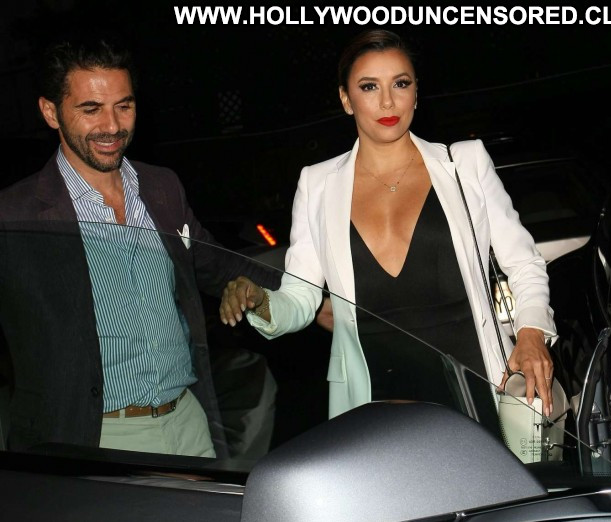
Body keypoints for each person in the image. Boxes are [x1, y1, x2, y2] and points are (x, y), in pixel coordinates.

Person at [220, 29, 557, 420]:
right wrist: (260, 300)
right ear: (346, 99)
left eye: (400, 83)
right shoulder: (318, 184)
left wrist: (531, 332)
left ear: (416, 91)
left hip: (477, 385)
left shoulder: (464, 164)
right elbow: (301, 297)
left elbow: (524, 263)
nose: (387, 101)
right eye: (369, 87)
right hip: (376, 398)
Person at [0, 39, 277, 458]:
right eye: (91, 109)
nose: (112, 126)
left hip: (188, 422)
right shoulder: (15, 214)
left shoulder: (161, 187)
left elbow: (218, 265)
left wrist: (309, 300)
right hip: (92, 439)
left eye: (124, 106)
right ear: (50, 112)